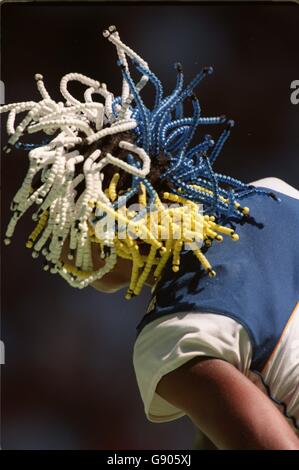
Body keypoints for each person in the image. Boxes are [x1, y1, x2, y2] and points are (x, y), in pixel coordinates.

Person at [1, 25, 298, 450]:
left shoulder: (170, 336)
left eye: (62, 228)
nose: (63, 260)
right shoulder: (274, 193)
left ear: (106, 228)